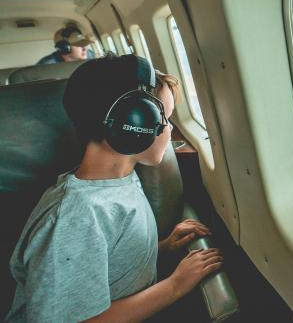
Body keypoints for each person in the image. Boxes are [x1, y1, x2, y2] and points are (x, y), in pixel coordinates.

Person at [6, 54, 222, 322]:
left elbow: (102, 258)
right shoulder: (76, 217)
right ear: (134, 122)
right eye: (164, 118)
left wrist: (159, 247)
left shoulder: (120, 180)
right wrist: (174, 286)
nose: (168, 129)